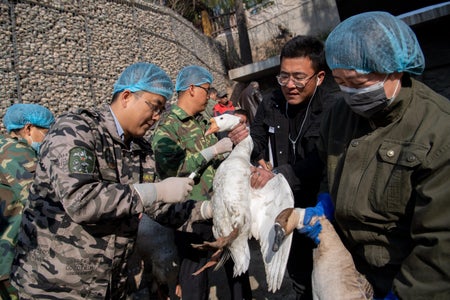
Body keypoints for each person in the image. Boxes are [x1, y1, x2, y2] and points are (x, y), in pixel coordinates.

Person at [10, 62, 196, 299]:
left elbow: (156, 206)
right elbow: (81, 200)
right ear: (127, 96)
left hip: (108, 284)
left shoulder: (140, 149)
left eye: (162, 110)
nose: (156, 117)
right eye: (154, 106)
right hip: (55, 286)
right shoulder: (76, 130)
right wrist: (155, 191)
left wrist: (208, 210)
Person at [301, 11, 450, 299]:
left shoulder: (437, 129)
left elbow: (441, 242)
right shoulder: (338, 116)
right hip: (351, 266)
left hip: (405, 276)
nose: (348, 93)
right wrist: (325, 202)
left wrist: (407, 294)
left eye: (357, 84)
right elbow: (327, 169)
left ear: (394, 70)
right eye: (339, 82)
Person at [248, 35, 340, 300]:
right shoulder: (271, 102)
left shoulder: (333, 109)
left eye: (299, 77)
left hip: (319, 210)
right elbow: (256, 137)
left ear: (319, 77)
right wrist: (256, 157)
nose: (290, 85)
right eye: (283, 76)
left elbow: (322, 160)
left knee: (326, 279)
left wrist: (277, 175)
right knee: (295, 276)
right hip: (283, 209)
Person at [151, 65, 251, 300]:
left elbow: (218, 161)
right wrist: (212, 151)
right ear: (192, 89)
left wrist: (231, 148)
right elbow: (171, 169)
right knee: (195, 276)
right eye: (206, 91)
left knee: (237, 266)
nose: (209, 97)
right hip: (192, 213)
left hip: (220, 207)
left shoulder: (203, 121)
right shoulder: (168, 127)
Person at [0, 103, 54, 300]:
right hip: (7, 253)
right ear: (28, 128)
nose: (49, 137)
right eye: (47, 131)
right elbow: (39, 198)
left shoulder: (3, 145)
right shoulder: (16, 152)